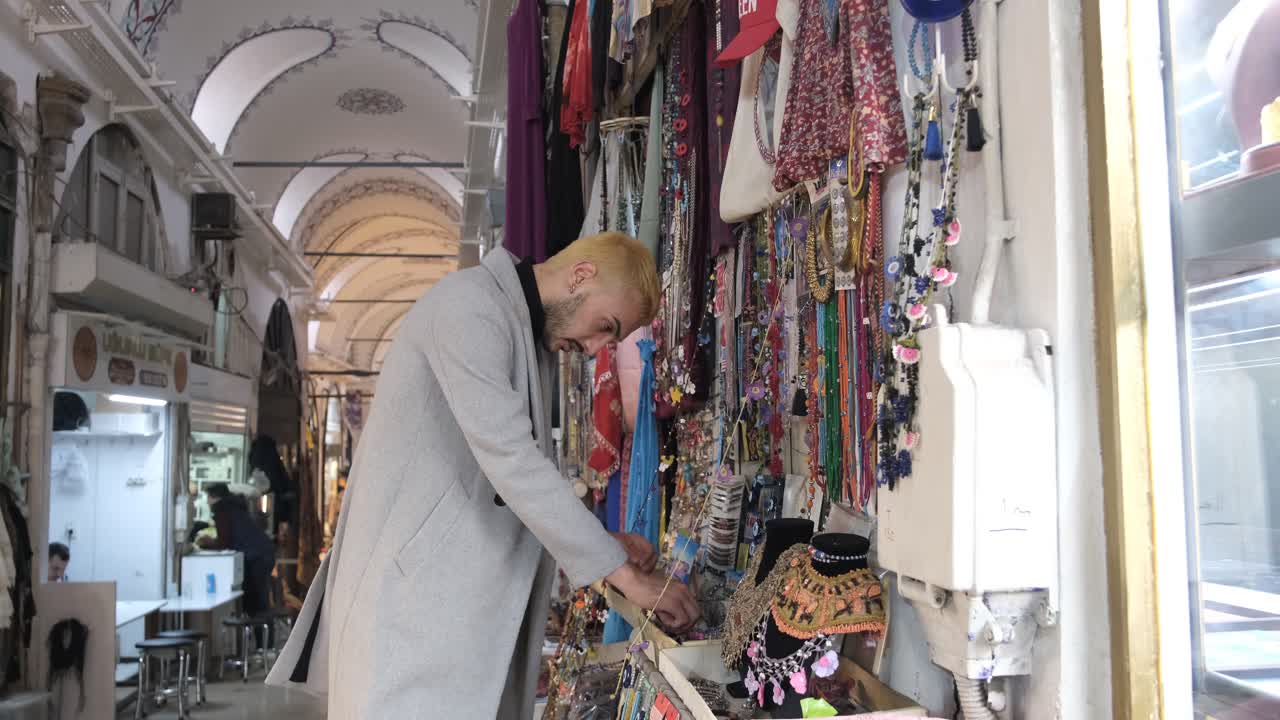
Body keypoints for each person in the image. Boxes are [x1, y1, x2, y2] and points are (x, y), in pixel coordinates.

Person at [267, 232, 702, 718]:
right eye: (606, 326)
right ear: (582, 275)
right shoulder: (469, 307)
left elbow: (500, 487)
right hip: (413, 620)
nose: (596, 347)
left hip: (444, 619)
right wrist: (622, 575)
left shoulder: (515, 327)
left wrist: (605, 543)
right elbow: (511, 462)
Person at [198, 483, 276, 615]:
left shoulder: (221, 508)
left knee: (254, 601)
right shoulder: (235, 505)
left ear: (213, 497)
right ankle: (262, 631)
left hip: (254, 556)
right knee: (260, 599)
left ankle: (257, 631)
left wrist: (207, 542)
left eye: (208, 497)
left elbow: (224, 542)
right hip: (262, 552)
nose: (206, 501)